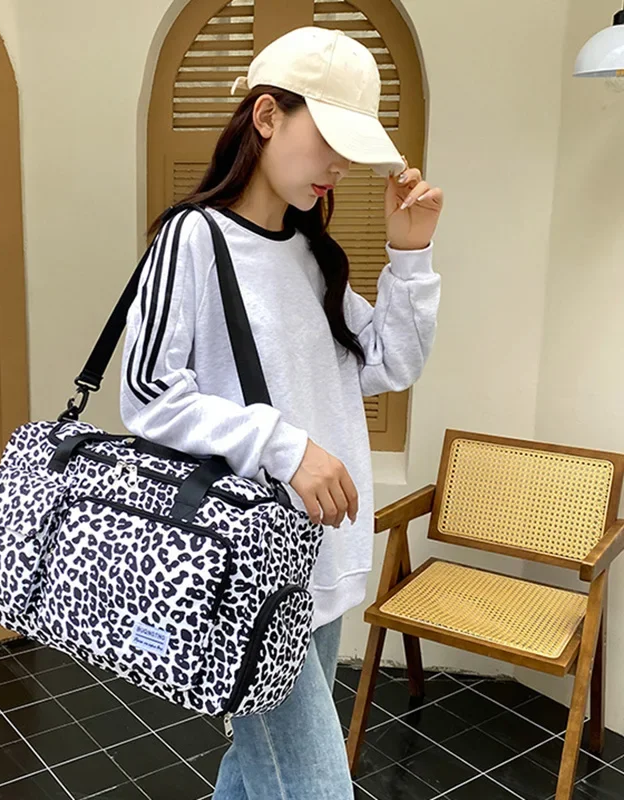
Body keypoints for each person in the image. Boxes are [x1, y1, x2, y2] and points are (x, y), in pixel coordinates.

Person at [120, 25, 443, 800]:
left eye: (350, 150)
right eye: (328, 140)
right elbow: (147, 391)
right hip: (253, 573)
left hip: (321, 557)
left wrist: (410, 255)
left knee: (258, 770)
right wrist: (283, 444)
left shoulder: (310, 252)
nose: (339, 166)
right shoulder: (193, 239)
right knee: (314, 786)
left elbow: (389, 364)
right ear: (267, 116)